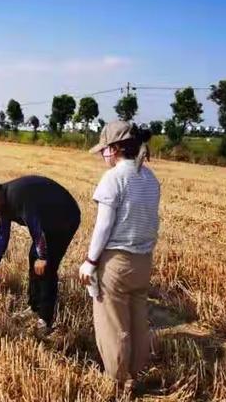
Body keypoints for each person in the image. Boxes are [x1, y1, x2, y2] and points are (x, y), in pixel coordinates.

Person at [79, 121, 160, 393]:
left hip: (116, 262)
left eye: (104, 150)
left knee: (112, 325)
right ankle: (135, 373)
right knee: (138, 321)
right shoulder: (150, 179)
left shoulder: (114, 178)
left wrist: (90, 262)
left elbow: (103, 225)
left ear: (115, 149)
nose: (103, 155)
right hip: (143, 261)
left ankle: (117, 382)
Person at [0, 175, 81, 337]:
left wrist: (43, 257)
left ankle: (45, 319)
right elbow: (3, 235)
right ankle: (34, 306)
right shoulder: (2, 204)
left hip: (64, 218)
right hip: (46, 221)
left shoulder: (18, 195)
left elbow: (35, 226)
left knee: (47, 267)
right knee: (33, 258)